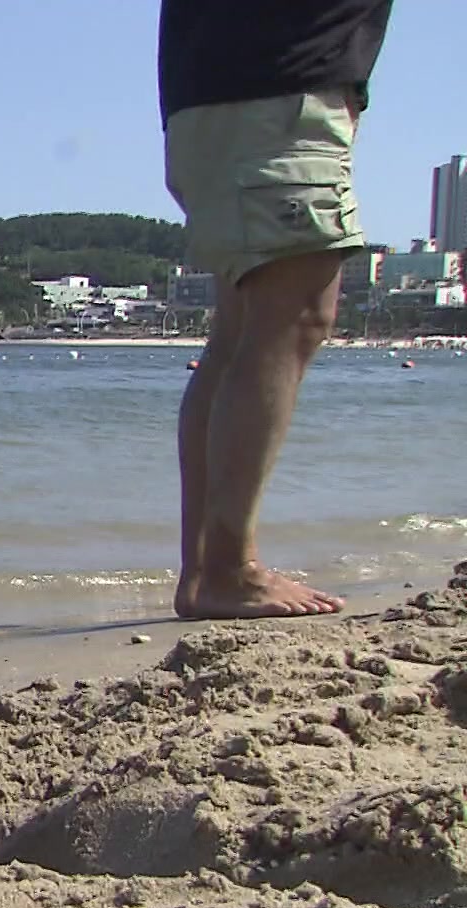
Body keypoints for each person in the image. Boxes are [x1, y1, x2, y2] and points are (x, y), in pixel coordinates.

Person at [160, 0, 391, 619]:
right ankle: (228, 569)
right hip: (277, 90)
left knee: (241, 332)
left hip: (222, 89)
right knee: (292, 320)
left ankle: (209, 569)